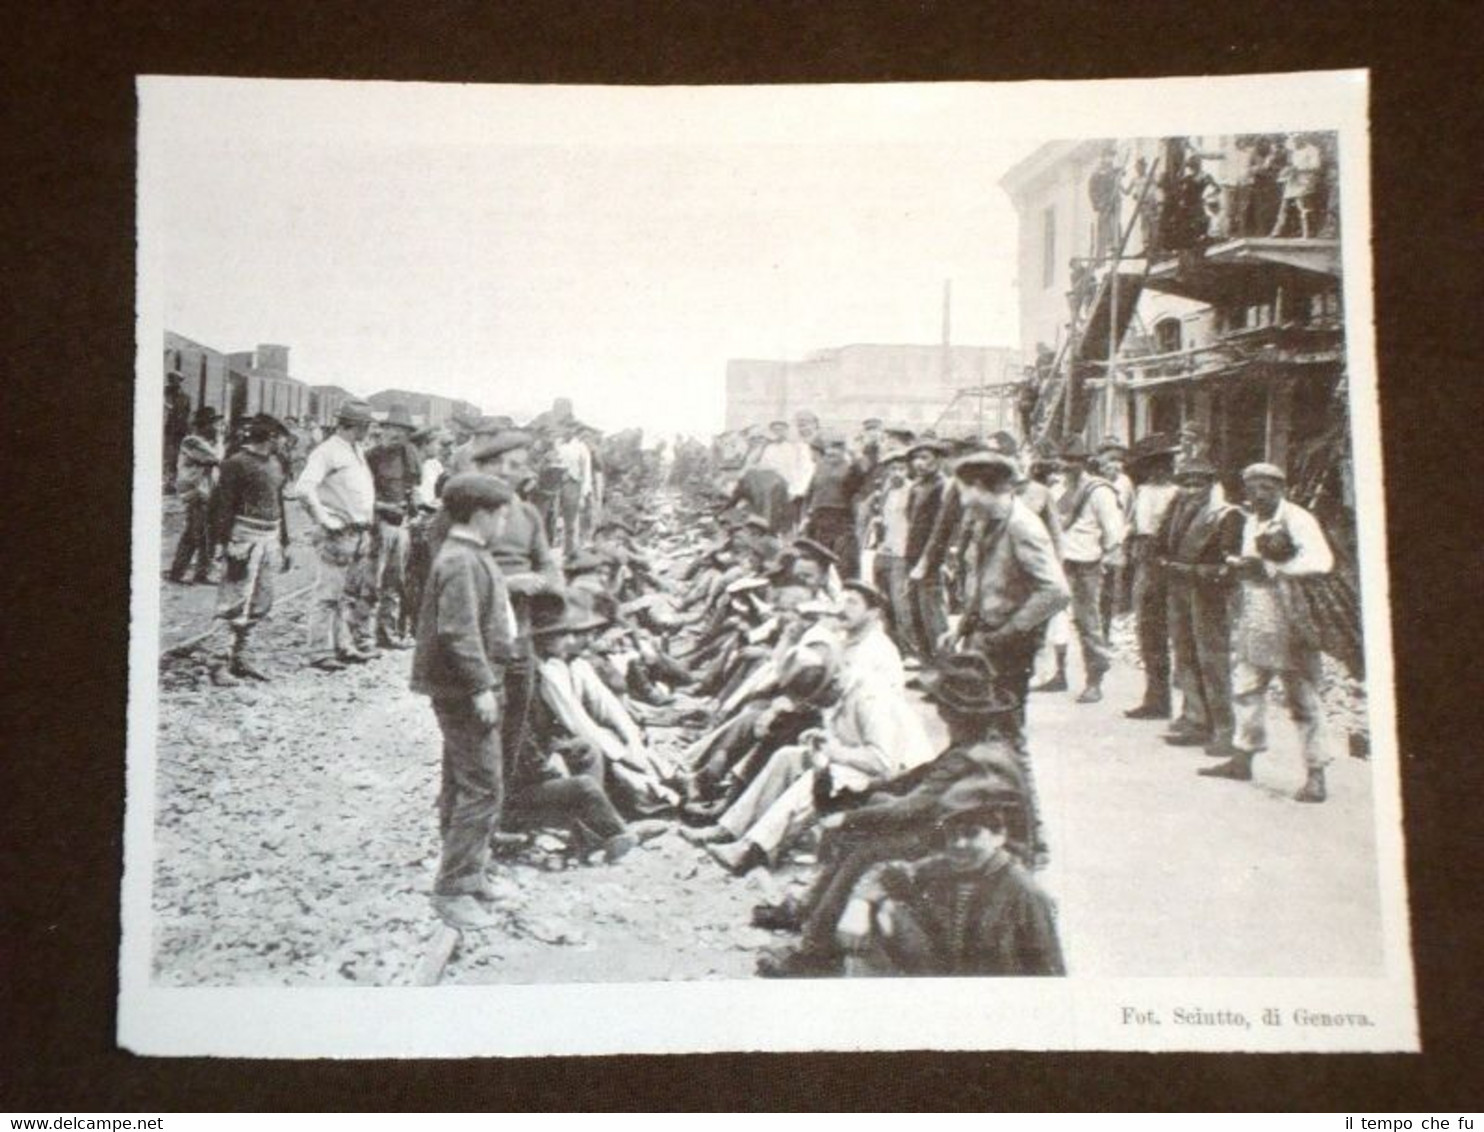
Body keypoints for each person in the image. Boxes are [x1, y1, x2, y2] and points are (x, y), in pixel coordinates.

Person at [755, 652, 1029, 977]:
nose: (938, 710)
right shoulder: (976, 745)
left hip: (981, 852)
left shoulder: (975, 755)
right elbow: (912, 782)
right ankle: (811, 912)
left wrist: (849, 816)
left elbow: (911, 807)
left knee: (866, 850)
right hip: (965, 834)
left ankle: (813, 953)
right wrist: (861, 796)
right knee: (868, 819)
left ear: (956, 711)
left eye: (942, 704)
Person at [693, 582, 935, 874]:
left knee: (824, 775)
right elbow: (846, 735)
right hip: (861, 761)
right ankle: (730, 827)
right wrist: (824, 740)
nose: (819, 703)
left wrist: (835, 752)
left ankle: (753, 850)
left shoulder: (871, 695)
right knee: (788, 757)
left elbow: (884, 763)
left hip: (901, 776)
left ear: (833, 682)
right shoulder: (842, 685)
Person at [943, 452, 1069, 860]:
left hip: (1009, 650)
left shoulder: (1022, 527)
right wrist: (962, 624)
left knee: (1009, 742)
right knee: (977, 736)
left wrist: (1007, 632)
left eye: (966, 492)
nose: (961, 501)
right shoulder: (985, 522)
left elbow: (1055, 591)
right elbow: (979, 579)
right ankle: (989, 828)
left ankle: (1031, 841)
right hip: (983, 641)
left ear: (984, 487)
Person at [409, 472, 520, 930]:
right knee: (483, 786)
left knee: (462, 781)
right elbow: (457, 631)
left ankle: (470, 872)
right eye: (502, 515)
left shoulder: (469, 555)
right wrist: (480, 687)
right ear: (481, 514)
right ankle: (453, 889)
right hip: (463, 690)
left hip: (466, 687)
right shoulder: (460, 561)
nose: (504, 523)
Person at [1201, 463, 1335, 801]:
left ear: (1280, 488)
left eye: (1266, 488)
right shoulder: (1252, 521)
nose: (1258, 494)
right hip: (1257, 612)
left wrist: (1275, 568)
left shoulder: (1298, 519)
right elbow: (1252, 561)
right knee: (1246, 686)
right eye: (1252, 488)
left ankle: (1316, 773)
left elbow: (1321, 561)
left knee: (1302, 695)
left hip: (1291, 613)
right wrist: (1240, 567)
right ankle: (1244, 756)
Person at [849, 778, 1066, 977]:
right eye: (952, 834)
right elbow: (887, 872)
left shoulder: (1024, 893)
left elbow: (1049, 971)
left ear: (999, 836)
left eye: (972, 833)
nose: (959, 844)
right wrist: (861, 903)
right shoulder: (944, 868)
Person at [1158, 457, 1245, 755]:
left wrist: (1199, 571)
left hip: (1209, 592)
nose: (1192, 488)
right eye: (1186, 482)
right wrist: (1163, 561)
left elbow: (1231, 563)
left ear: (1211, 484)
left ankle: (1224, 729)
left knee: (1212, 658)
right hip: (1179, 586)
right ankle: (1195, 718)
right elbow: (1160, 543)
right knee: (1184, 653)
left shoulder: (1226, 515)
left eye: (1199, 482)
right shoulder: (1175, 509)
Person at [294, 400, 378, 671]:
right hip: (339, 533)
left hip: (359, 532)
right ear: (356, 425)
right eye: (366, 425)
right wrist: (325, 519)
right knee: (328, 593)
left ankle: (344, 645)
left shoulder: (355, 450)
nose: (368, 430)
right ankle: (318, 650)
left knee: (348, 594)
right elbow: (304, 489)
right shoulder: (327, 451)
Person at [208, 414, 292, 683]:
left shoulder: (276, 463)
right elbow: (222, 507)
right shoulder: (235, 464)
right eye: (279, 437)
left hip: (270, 536)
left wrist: (285, 543)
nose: (282, 442)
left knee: (260, 601)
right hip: (244, 537)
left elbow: (279, 504)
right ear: (270, 437)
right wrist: (225, 543)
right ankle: (218, 663)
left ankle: (239, 657)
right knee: (233, 600)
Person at [1052, 437, 1123, 703]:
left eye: (1074, 460)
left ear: (1084, 462)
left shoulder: (1098, 491)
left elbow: (1114, 533)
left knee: (1088, 624)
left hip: (1086, 563)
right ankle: (1058, 673)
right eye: (1064, 459)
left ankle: (1095, 681)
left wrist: (1105, 560)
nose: (1067, 465)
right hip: (1059, 561)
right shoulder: (1058, 488)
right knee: (1051, 620)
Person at [1123, 437, 1181, 719]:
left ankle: (1185, 701)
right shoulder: (1143, 492)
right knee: (1148, 631)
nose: (1158, 470)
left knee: (1175, 631)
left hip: (1167, 560)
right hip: (1145, 560)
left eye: (1163, 464)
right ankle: (1157, 697)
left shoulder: (1178, 494)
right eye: (1152, 465)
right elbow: (1134, 525)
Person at [366, 404, 421, 649]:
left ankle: (386, 633)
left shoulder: (410, 455)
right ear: (384, 430)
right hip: (378, 525)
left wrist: (413, 507)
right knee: (368, 583)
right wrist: (383, 507)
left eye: (403, 431)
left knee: (394, 582)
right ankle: (361, 635)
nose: (397, 435)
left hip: (401, 527)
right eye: (393, 429)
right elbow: (362, 497)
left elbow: (412, 488)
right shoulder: (371, 457)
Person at [903, 439, 949, 664]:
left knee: (933, 613)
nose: (919, 463)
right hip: (912, 554)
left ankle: (945, 666)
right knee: (916, 612)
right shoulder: (917, 487)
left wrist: (928, 559)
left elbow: (942, 527)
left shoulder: (943, 487)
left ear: (939, 460)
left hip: (931, 558)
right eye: (916, 458)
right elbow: (910, 519)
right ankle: (927, 665)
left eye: (925, 458)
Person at [167, 406, 223, 585]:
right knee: (194, 532)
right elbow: (216, 458)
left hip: (205, 492)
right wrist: (221, 439)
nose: (216, 427)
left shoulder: (203, 441)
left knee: (206, 533)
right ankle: (179, 572)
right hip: (195, 492)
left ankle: (200, 572)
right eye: (213, 423)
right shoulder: (192, 441)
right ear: (204, 425)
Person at [802, 437, 864, 579]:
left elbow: (857, 487)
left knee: (843, 561)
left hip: (840, 517)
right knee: (818, 557)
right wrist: (806, 515)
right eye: (829, 453)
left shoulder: (850, 468)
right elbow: (811, 491)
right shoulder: (820, 467)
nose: (831, 457)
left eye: (835, 453)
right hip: (819, 516)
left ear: (843, 452)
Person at [1095, 438, 1136, 640]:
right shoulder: (1093, 484)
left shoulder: (1125, 483)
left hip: (1117, 541)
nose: (1114, 464)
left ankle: (1105, 630)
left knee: (1111, 588)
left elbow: (1130, 512)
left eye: (1118, 460)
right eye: (1110, 459)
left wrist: (1123, 535)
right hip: (1094, 541)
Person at [554, 422, 594, 555]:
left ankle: (570, 550)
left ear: (574, 430)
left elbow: (586, 470)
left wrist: (584, 493)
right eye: (565, 427)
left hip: (573, 484)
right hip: (557, 483)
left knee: (571, 519)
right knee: (553, 517)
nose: (567, 431)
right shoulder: (558, 444)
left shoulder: (581, 447)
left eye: (570, 428)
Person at [163, 372, 192, 493]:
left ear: (180, 381)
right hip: (166, 429)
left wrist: (187, 429)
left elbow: (186, 414)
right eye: (170, 379)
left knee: (174, 457)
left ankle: (171, 483)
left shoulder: (185, 397)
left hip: (178, 431)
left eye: (176, 380)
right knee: (166, 456)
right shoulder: (162, 393)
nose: (173, 382)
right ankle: (167, 481)